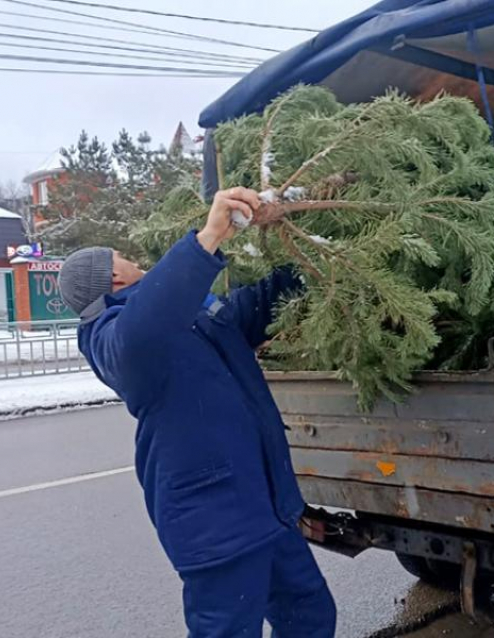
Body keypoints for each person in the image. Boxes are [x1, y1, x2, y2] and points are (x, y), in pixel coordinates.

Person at [58, 187, 336, 638]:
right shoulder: (110, 339)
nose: (132, 257)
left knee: (309, 614)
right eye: (121, 255)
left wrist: (306, 245)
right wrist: (208, 237)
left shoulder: (190, 316)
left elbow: (247, 311)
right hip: (216, 523)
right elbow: (144, 329)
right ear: (111, 278)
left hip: (264, 505)